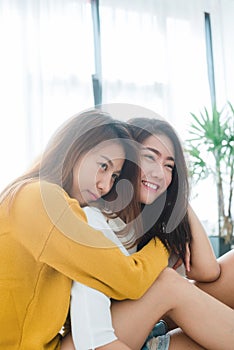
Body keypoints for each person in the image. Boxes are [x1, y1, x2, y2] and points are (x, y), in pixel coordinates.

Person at [0, 110, 172, 350]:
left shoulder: (37, 197)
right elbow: (130, 279)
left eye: (113, 176)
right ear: (74, 149)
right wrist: (165, 244)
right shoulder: (41, 198)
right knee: (169, 286)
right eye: (103, 166)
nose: (105, 185)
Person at [62, 117, 234, 350]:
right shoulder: (94, 218)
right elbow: (91, 332)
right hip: (91, 341)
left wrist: (179, 196)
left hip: (142, 329)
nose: (159, 173)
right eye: (150, 157)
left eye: (169, 166)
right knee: (167, 283)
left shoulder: (144, 226)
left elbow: (208, 271)